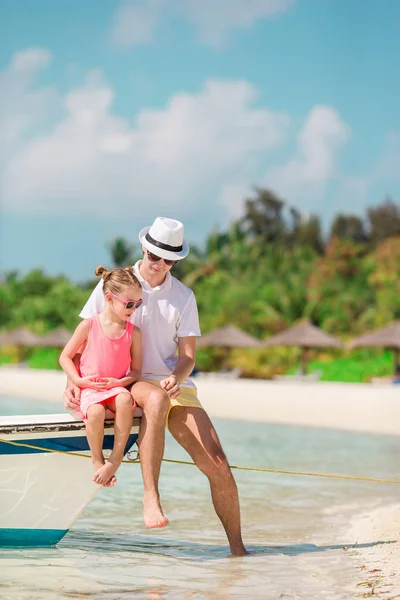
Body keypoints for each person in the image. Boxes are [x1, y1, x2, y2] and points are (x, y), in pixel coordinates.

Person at [64, 217, 247, 555]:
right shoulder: (116, 283)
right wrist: (71, 381)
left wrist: (176, 378)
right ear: (144, 249)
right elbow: (87, 335)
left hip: (172, 383)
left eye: (169, 259)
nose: (160, 264)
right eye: (155, 256)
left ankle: (239, 554)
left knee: (218, 464)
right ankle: (151, 496)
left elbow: (188, 355)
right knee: (155, 398)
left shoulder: (183, 296)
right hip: (127, 381)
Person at [60, 265, 142, 487]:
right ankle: (97, 460)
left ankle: (115, 461)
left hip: (115, 388)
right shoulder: (88, 325)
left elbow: (136, 371)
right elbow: (65, 357)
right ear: (109, 298)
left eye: (138, 304)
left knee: (125, 399)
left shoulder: (134, 332)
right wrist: (77, 381)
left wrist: (121, 382)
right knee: (95, 412)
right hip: (90, 389)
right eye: (129, 304)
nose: (133, 308)